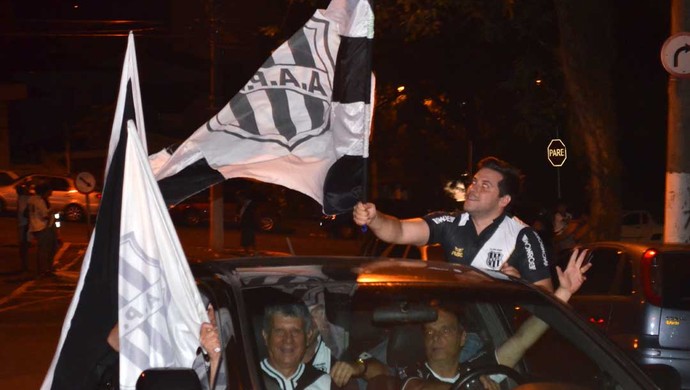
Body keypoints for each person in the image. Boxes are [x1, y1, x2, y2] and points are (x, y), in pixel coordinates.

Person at [398, 248, 592, 390]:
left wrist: (563, 293)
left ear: (462, 337)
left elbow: (522, 339)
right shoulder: (411, 370)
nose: (435, 337)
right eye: (429, 331)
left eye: (445, 330)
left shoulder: (477, 371)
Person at [353, 156, 553, 291]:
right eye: (474, 182)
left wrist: (519, 287)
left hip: (496, 338)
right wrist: (375, 218)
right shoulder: (450, 222)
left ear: (504, 200)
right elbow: (399, 231)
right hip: (452, 325)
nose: (473, 189)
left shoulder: (524, 236)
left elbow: (546, 300)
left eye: (485, 186)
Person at [101, 305, 223, 390]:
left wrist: (216, 357)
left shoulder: (232, 344)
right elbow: (114, 340)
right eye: (205, 309)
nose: (211, 317)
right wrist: (145, 298)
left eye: (216, 310)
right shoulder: (165, 331)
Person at [261, 302, 341, 389]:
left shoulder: (324, 383)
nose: (288, 340)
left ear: (308, 336)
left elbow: (358, 360)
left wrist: (358, 365)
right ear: (266, 336)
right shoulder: (249, 378)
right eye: (279, 332)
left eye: (295, 332)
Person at [27, 182, 59, 277]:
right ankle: (44, 270)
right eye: (50, 190)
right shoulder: (40, 201)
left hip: (40, 226)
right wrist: (53, 211)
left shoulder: (32, 199)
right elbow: (45, 216)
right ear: (45, 191)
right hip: (43, 227)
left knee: (50, 247)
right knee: (45, 249)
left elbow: (26, 213)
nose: (51, 191)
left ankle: (46, 268)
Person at [236, 190, 257, 255]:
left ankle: (252, 251)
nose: (239, 200)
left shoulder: (250, 204)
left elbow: (253, 214)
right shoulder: (242, 205)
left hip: (249, 224)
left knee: (249, 238)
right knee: (246, 239)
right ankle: (248, 252)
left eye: (239, 198)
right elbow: (240, 213)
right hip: (245, 224)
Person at [16, 183, 31, 272]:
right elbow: (24, 212)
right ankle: (24, 265)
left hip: (23, 224)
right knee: (24, 244)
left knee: (24, 244)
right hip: (24, 224)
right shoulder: (23, 199)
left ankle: (24, 265)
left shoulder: (22, 198)